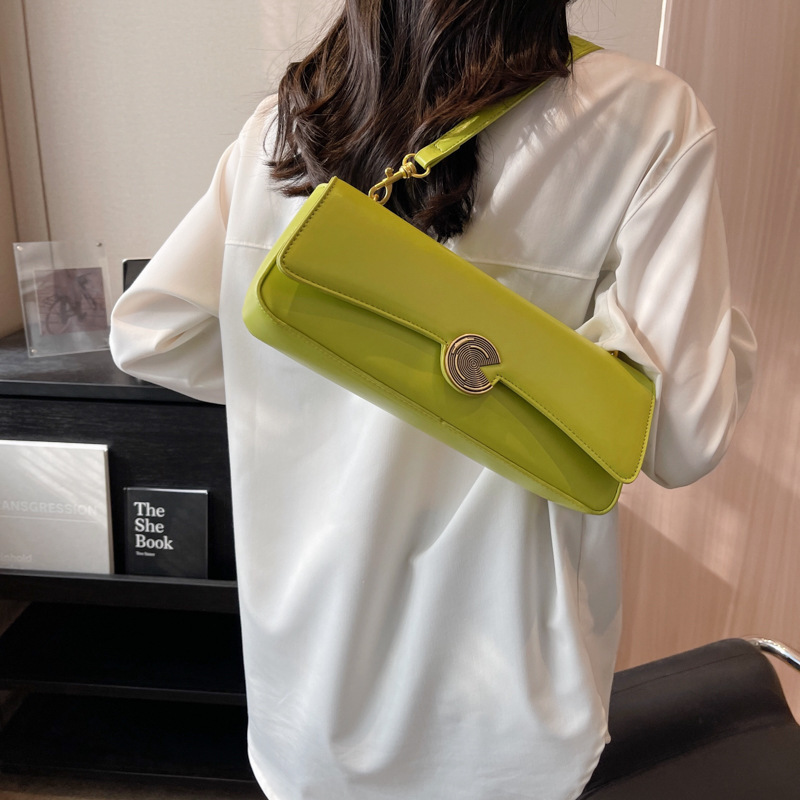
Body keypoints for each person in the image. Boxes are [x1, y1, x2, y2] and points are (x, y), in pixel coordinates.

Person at [109, 1, 756, 798]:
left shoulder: (288, 127)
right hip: (506, 707)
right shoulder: (646, 117)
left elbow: (152, 332)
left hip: (304, 695)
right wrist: (726, 337)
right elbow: (684, 440)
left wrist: (345, 370)